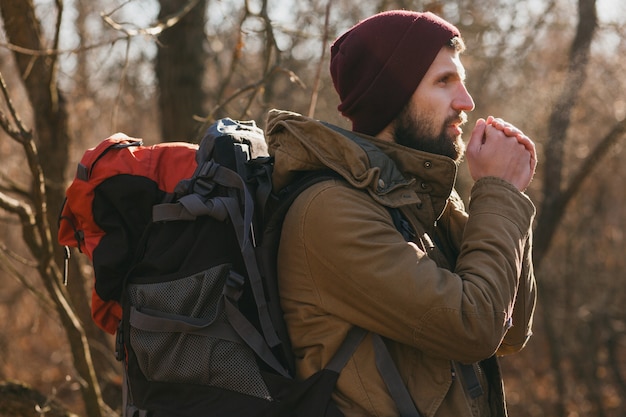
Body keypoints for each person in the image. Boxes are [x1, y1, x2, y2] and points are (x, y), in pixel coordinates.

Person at [265, 9, 537, 417]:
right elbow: (476, 326)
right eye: (444, 81)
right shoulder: (329, 211)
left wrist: (507, 192)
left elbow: (510, 329)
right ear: (390, 96)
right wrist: (498, 191)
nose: (467, 101)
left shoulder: (416, 201)